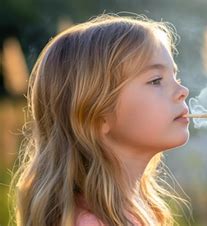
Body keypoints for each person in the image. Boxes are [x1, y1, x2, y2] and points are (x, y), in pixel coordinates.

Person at [10, 14, 191, 225]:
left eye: (175, 77)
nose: (183, 91)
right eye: (156, 80)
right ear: (96, 114)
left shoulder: (135, 210)